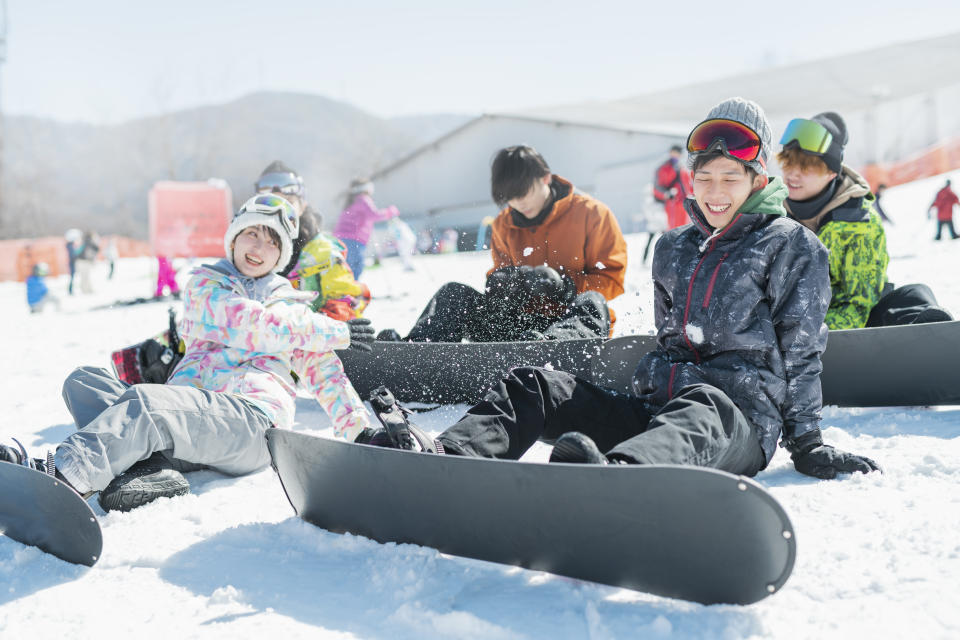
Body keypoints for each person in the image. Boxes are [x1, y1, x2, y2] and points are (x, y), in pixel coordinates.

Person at [361, 98, 880, 482]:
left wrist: (807, 442)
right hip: (660, 414)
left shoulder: (791, 245)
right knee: (536, 383)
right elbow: (673, 343)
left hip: (735, 423)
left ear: (757, 177)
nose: (716, 192)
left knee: (704, 404)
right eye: (706, 178)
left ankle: (610, 480)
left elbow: (803, 352)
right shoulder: (674, 247)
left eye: (730, 178)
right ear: (690, 179)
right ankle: (445, 460)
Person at [1, 194, 377, 511]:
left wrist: (360, 432)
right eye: (252, 234)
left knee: (148, 404)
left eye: (272, 242)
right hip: (191, 414)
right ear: (234, 238)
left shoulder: (292, 310)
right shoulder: (205, 286)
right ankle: (152, 471)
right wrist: (330, 329)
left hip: (250, 422)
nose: (259, 247)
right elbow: (244, 320)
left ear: (281, 255)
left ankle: (60, 477)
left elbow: (323, 371)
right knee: (84, 382)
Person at [381, 145, 627, 343]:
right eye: (510, 197)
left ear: (545, 179)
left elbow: (612, 281)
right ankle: (418, 350)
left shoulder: (592, 214)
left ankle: (547, 350)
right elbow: (499, 277)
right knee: (453, 293)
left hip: (567, 326)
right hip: (517, 325)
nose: (518, 202)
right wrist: (503, 283)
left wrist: (565, 286)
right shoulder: (503, 224)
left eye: (523, 192)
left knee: (593, 302)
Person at [777, 112, 953, 328]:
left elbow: (858, 305)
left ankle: (925, 338)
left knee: (914, 296)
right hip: (781, 323)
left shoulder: (859, 224)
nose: (792, 174)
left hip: (840, 328)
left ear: (832, 173)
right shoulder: (770, 212)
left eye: (806, 167)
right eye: (788, 164)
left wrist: (808, 335)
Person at [255, 161, 371, 321]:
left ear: (302, 206)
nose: (280, 211)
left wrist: (332, 320)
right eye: (270, 203)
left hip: (312, 340)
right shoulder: (246, 250)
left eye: (288, 202)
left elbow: (345, 296)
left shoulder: (321, 252)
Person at [333, 178, 399, 278]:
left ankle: (346, 289)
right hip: (353, 239)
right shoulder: (363, 199)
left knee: (346, 266)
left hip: (341, 238)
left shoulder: (351, 201)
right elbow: (374, 215)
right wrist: (390, 212)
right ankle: (351, 290)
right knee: (356, 266)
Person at [652, 144, 693, 231]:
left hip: (685, 203)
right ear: (670, 153)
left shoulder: (683, 168)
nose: (676, 155)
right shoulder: (663, 168)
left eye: (678, 153)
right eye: (674, 152)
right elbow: (656, 187)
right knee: (674, 231)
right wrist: (666, 194)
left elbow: (689, 186)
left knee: (685, 230)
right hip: (672, 204)